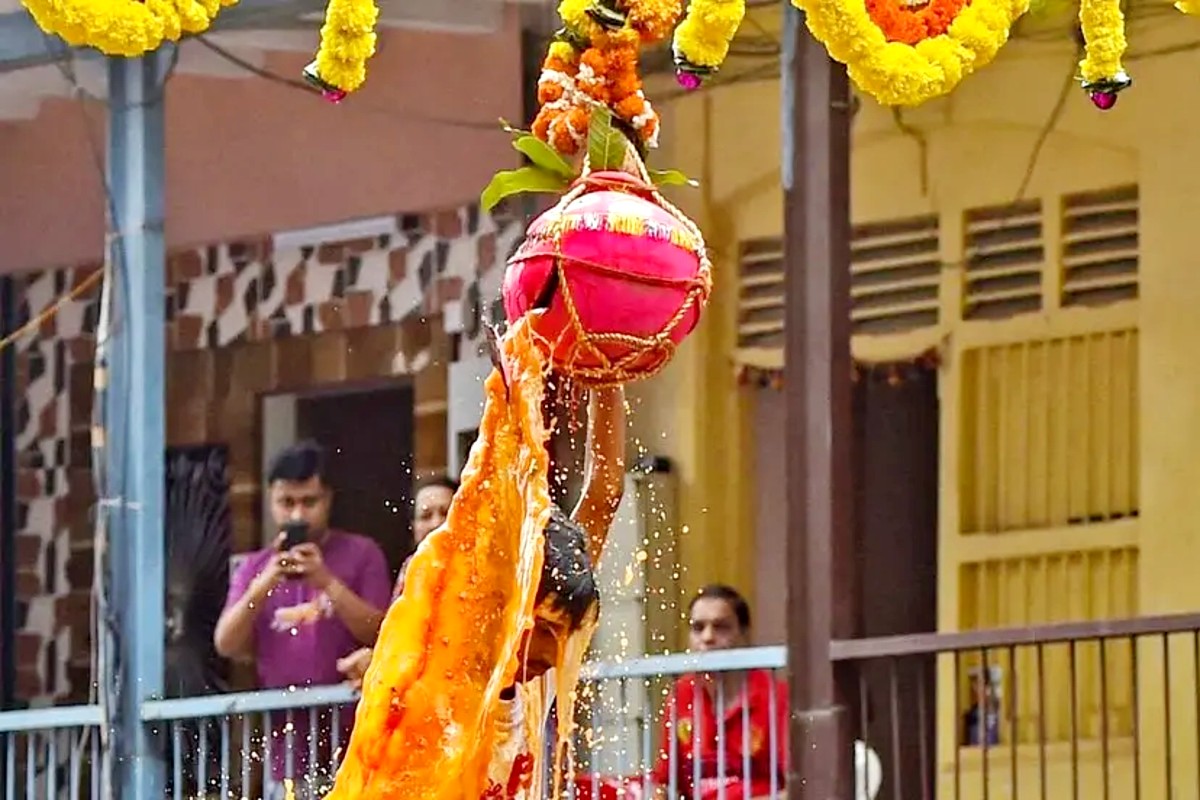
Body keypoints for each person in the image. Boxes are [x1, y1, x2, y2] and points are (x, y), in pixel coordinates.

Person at [337, 385, 627, 797]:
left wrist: (608, 371)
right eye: (542, 629)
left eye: (562, 635)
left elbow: (605, 492)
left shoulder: (535, 670)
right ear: (502, 605)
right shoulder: (440, 673)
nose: (551, 653)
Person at [213, 440, 392, 799]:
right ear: (270, 501)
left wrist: (325, 581)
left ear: (328, 499)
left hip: (358, 744)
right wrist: (263, 584)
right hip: (287, 757)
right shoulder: (254, 567)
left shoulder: (362, 554)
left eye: (309, 502)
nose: (297, 515)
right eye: (286, 503)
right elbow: (226, 644)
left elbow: (382, 633)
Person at [650, 585, 789, 800]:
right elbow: (665, 784)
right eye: (698, 628)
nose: (707, 637)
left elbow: (796, 789)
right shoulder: (681, 695)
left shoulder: (777, 697)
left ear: (745, 634)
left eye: (721, 627)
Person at [392, 474, 459, 599]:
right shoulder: (411, 567)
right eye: (426, 516)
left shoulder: (483, 564)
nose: (436, 523)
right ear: (414, 526)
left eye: (446, 513)